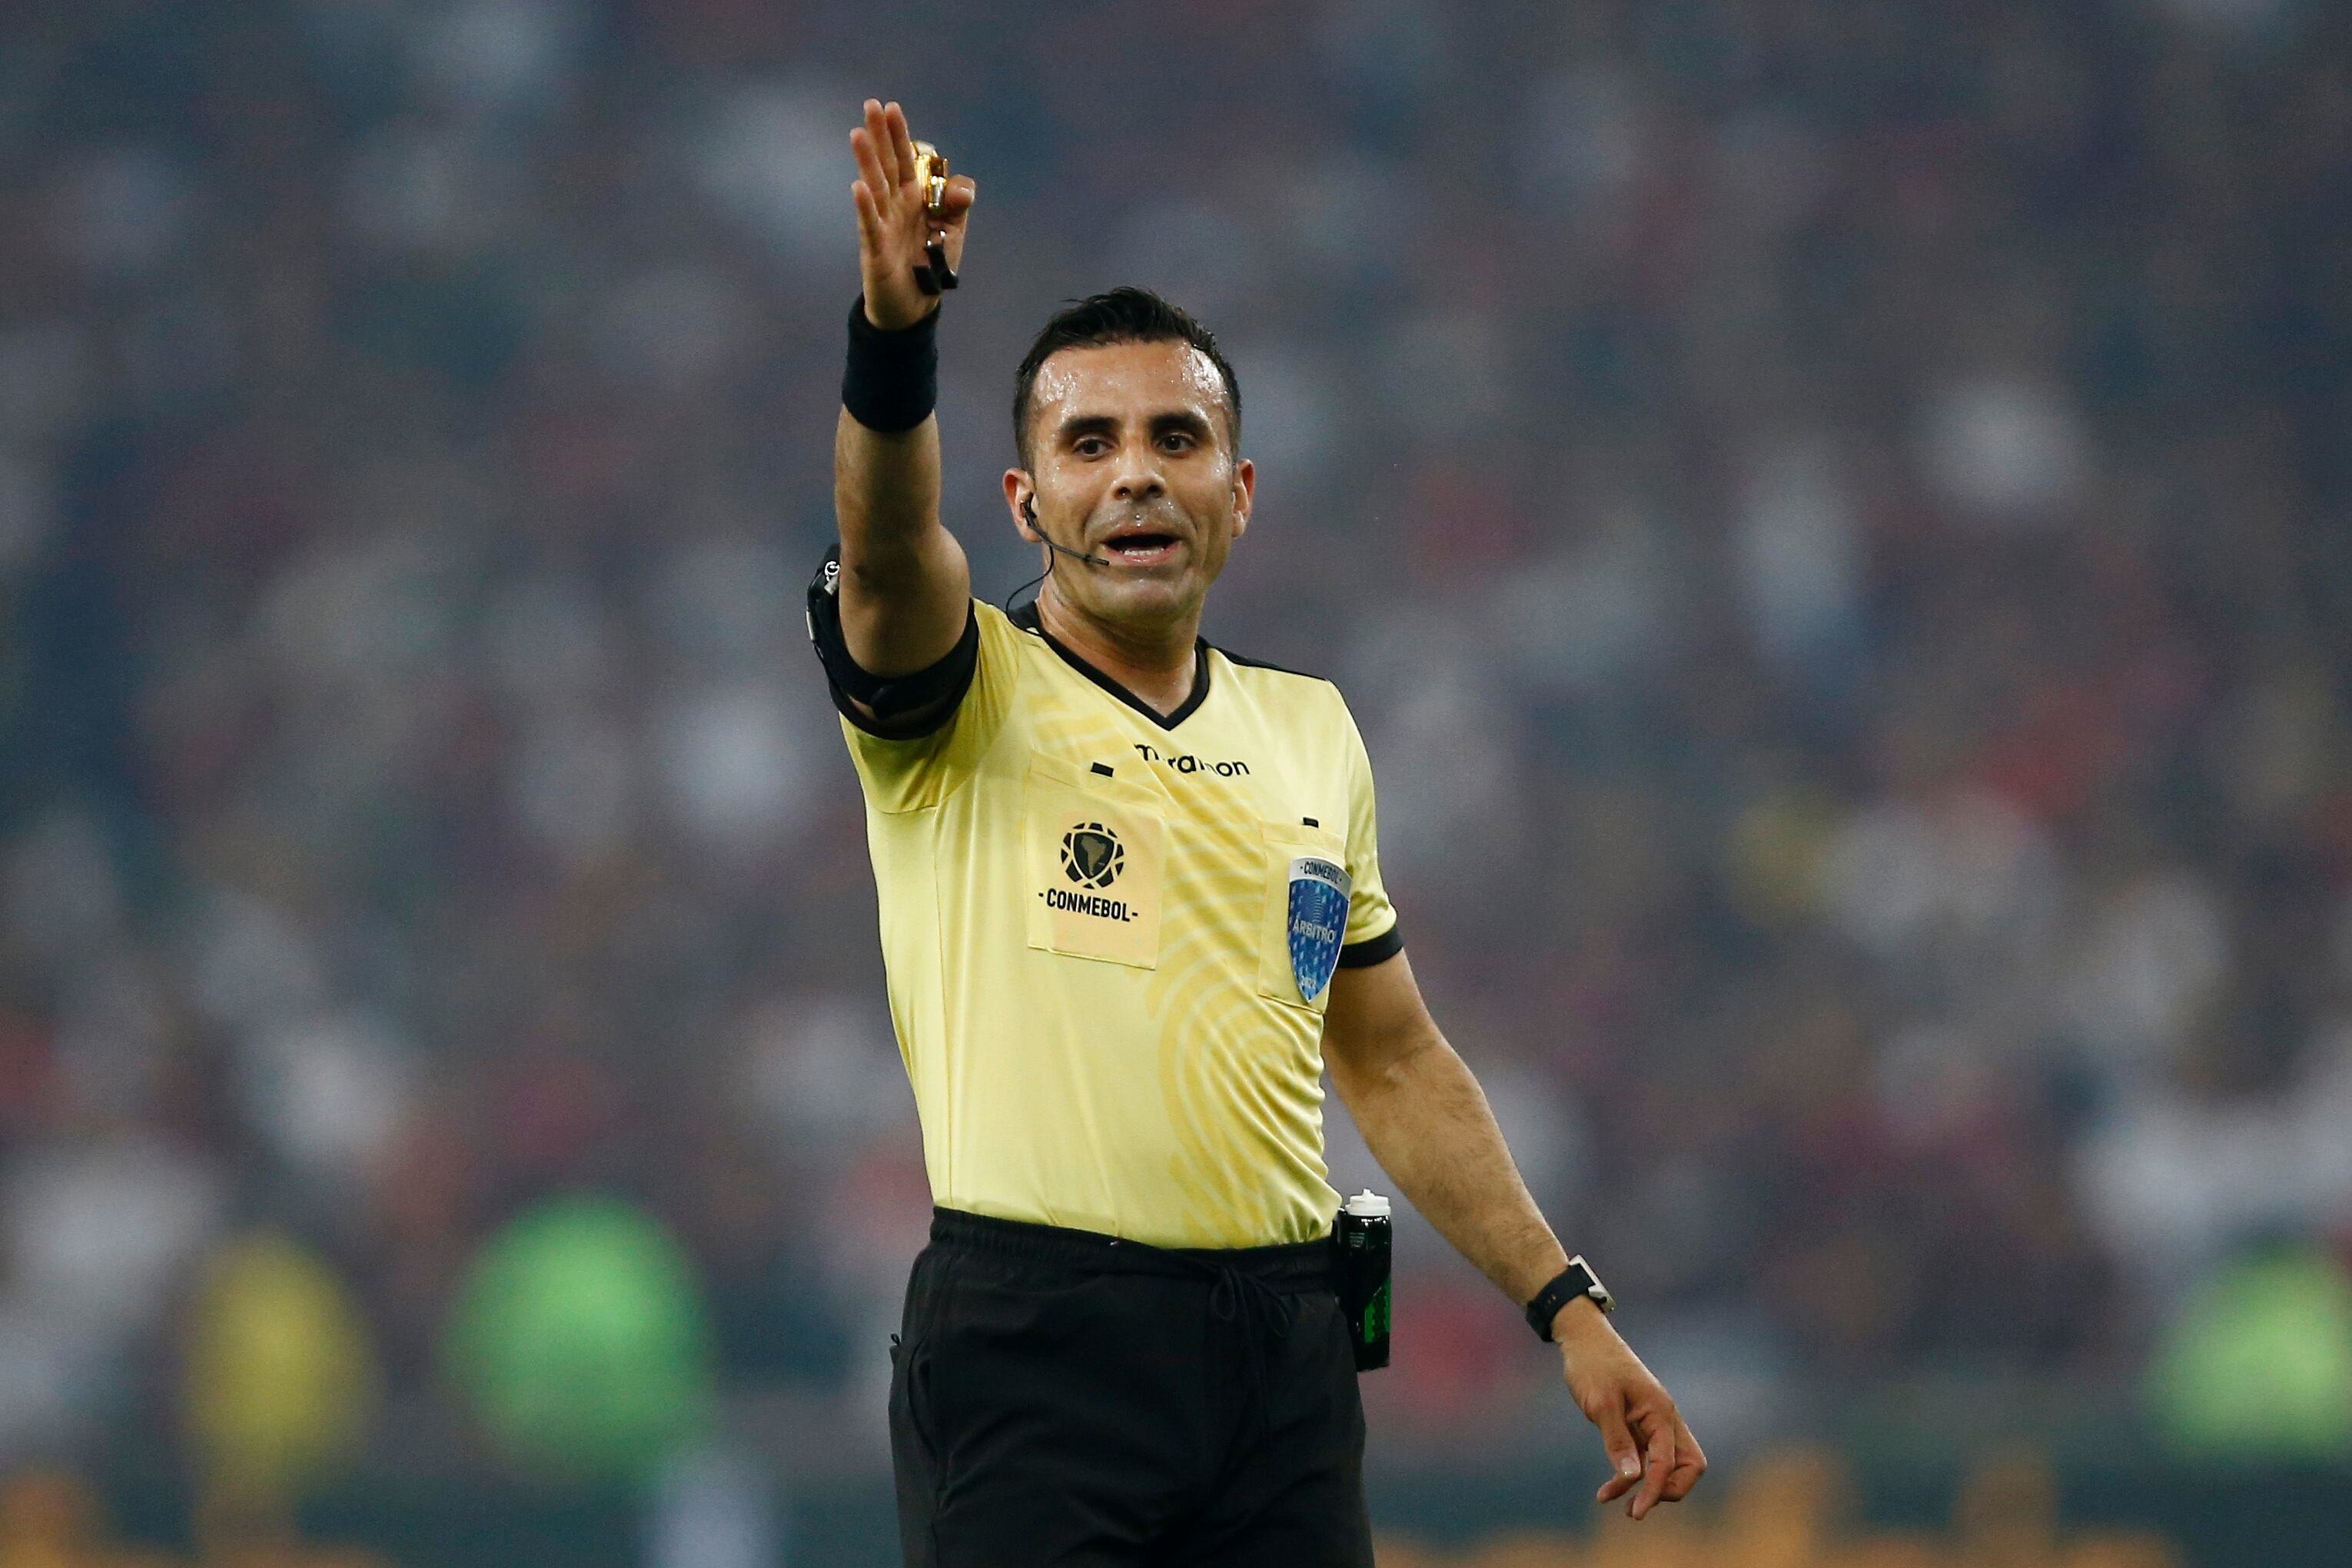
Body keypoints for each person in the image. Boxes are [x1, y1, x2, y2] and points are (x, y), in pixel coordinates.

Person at [810, 99, 1705, 1566]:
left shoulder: (1312, 732)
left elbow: (1392, 1057)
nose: (1136, 472)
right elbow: (892, 549)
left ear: (1239, 496)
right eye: (1089, 443)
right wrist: (893, 336)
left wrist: (1568, 1307)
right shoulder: (963, 693)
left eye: (1177, 437)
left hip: (1283, 1360)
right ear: (1026, 504)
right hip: (1040, 1350)